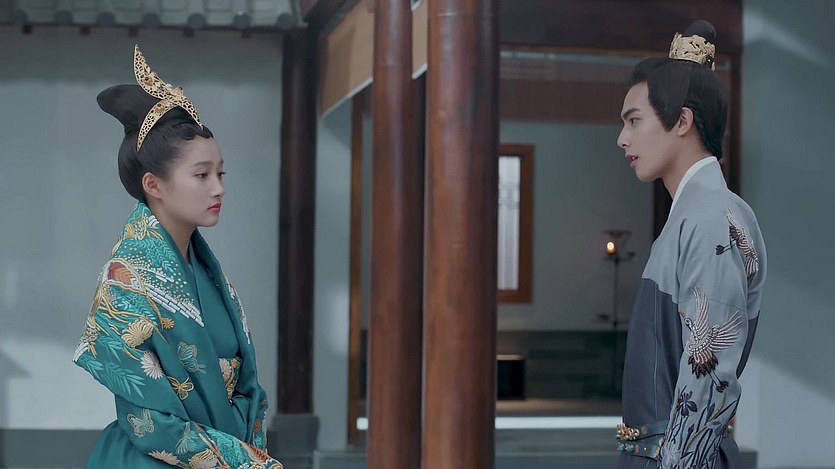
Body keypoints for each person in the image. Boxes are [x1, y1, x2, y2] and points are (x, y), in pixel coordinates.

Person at [72, 45, 282, 469]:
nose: (218, 188)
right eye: (202, 175)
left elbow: (249, 390)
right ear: (153, 184)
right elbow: (149, 421)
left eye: (220, 173)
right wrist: (246, 462)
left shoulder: (206, 272)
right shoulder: (125, 281)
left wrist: (248, 455)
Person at [615, 20, 766, 468]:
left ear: (682, 120)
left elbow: (709, 378)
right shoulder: (695, 215)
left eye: (634, 120)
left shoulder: (710, 217)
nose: (623, 138)